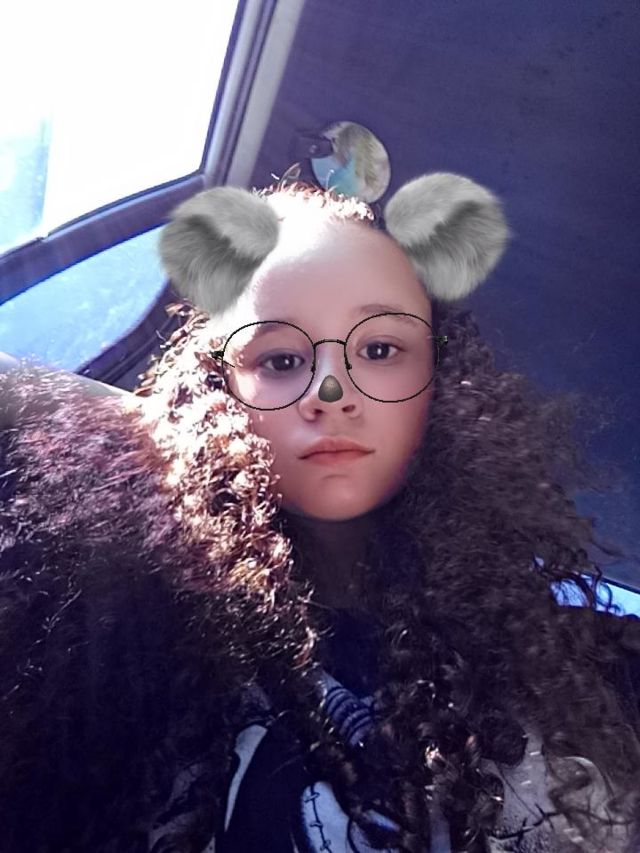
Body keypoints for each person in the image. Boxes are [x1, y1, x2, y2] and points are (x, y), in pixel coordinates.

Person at [0, 173, 639, 853]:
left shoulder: (585, 666)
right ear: (219, 393)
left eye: (380, 350)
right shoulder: (108, 644)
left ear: (440, 384)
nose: (331, 393)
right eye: (280, 359)